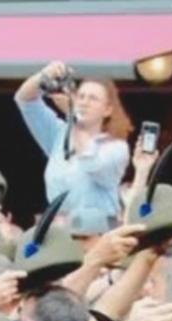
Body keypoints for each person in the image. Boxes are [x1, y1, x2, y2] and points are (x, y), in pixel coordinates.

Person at [14, 60, 131, 237]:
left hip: (98, 234)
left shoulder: (116, 147)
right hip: (60, 235)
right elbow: (24, 100)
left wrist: (73, 116)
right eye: (81, 97)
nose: (84, 102)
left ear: (107, 110)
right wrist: (45, 75)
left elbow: (91, 162)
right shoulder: (60, 134)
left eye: (93, 98)